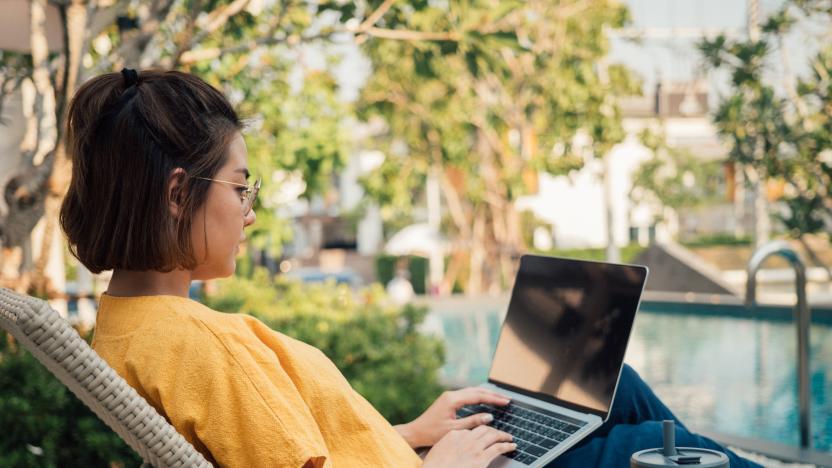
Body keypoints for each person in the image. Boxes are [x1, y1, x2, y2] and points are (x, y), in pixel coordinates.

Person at [59, 69, 761, 468]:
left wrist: (416, 432)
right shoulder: (201, 345)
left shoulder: (127, 328)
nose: (251, 210)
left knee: (618, 388)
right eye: (241, 188)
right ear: (179, 193)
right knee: (658, 448)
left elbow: (293, 451)